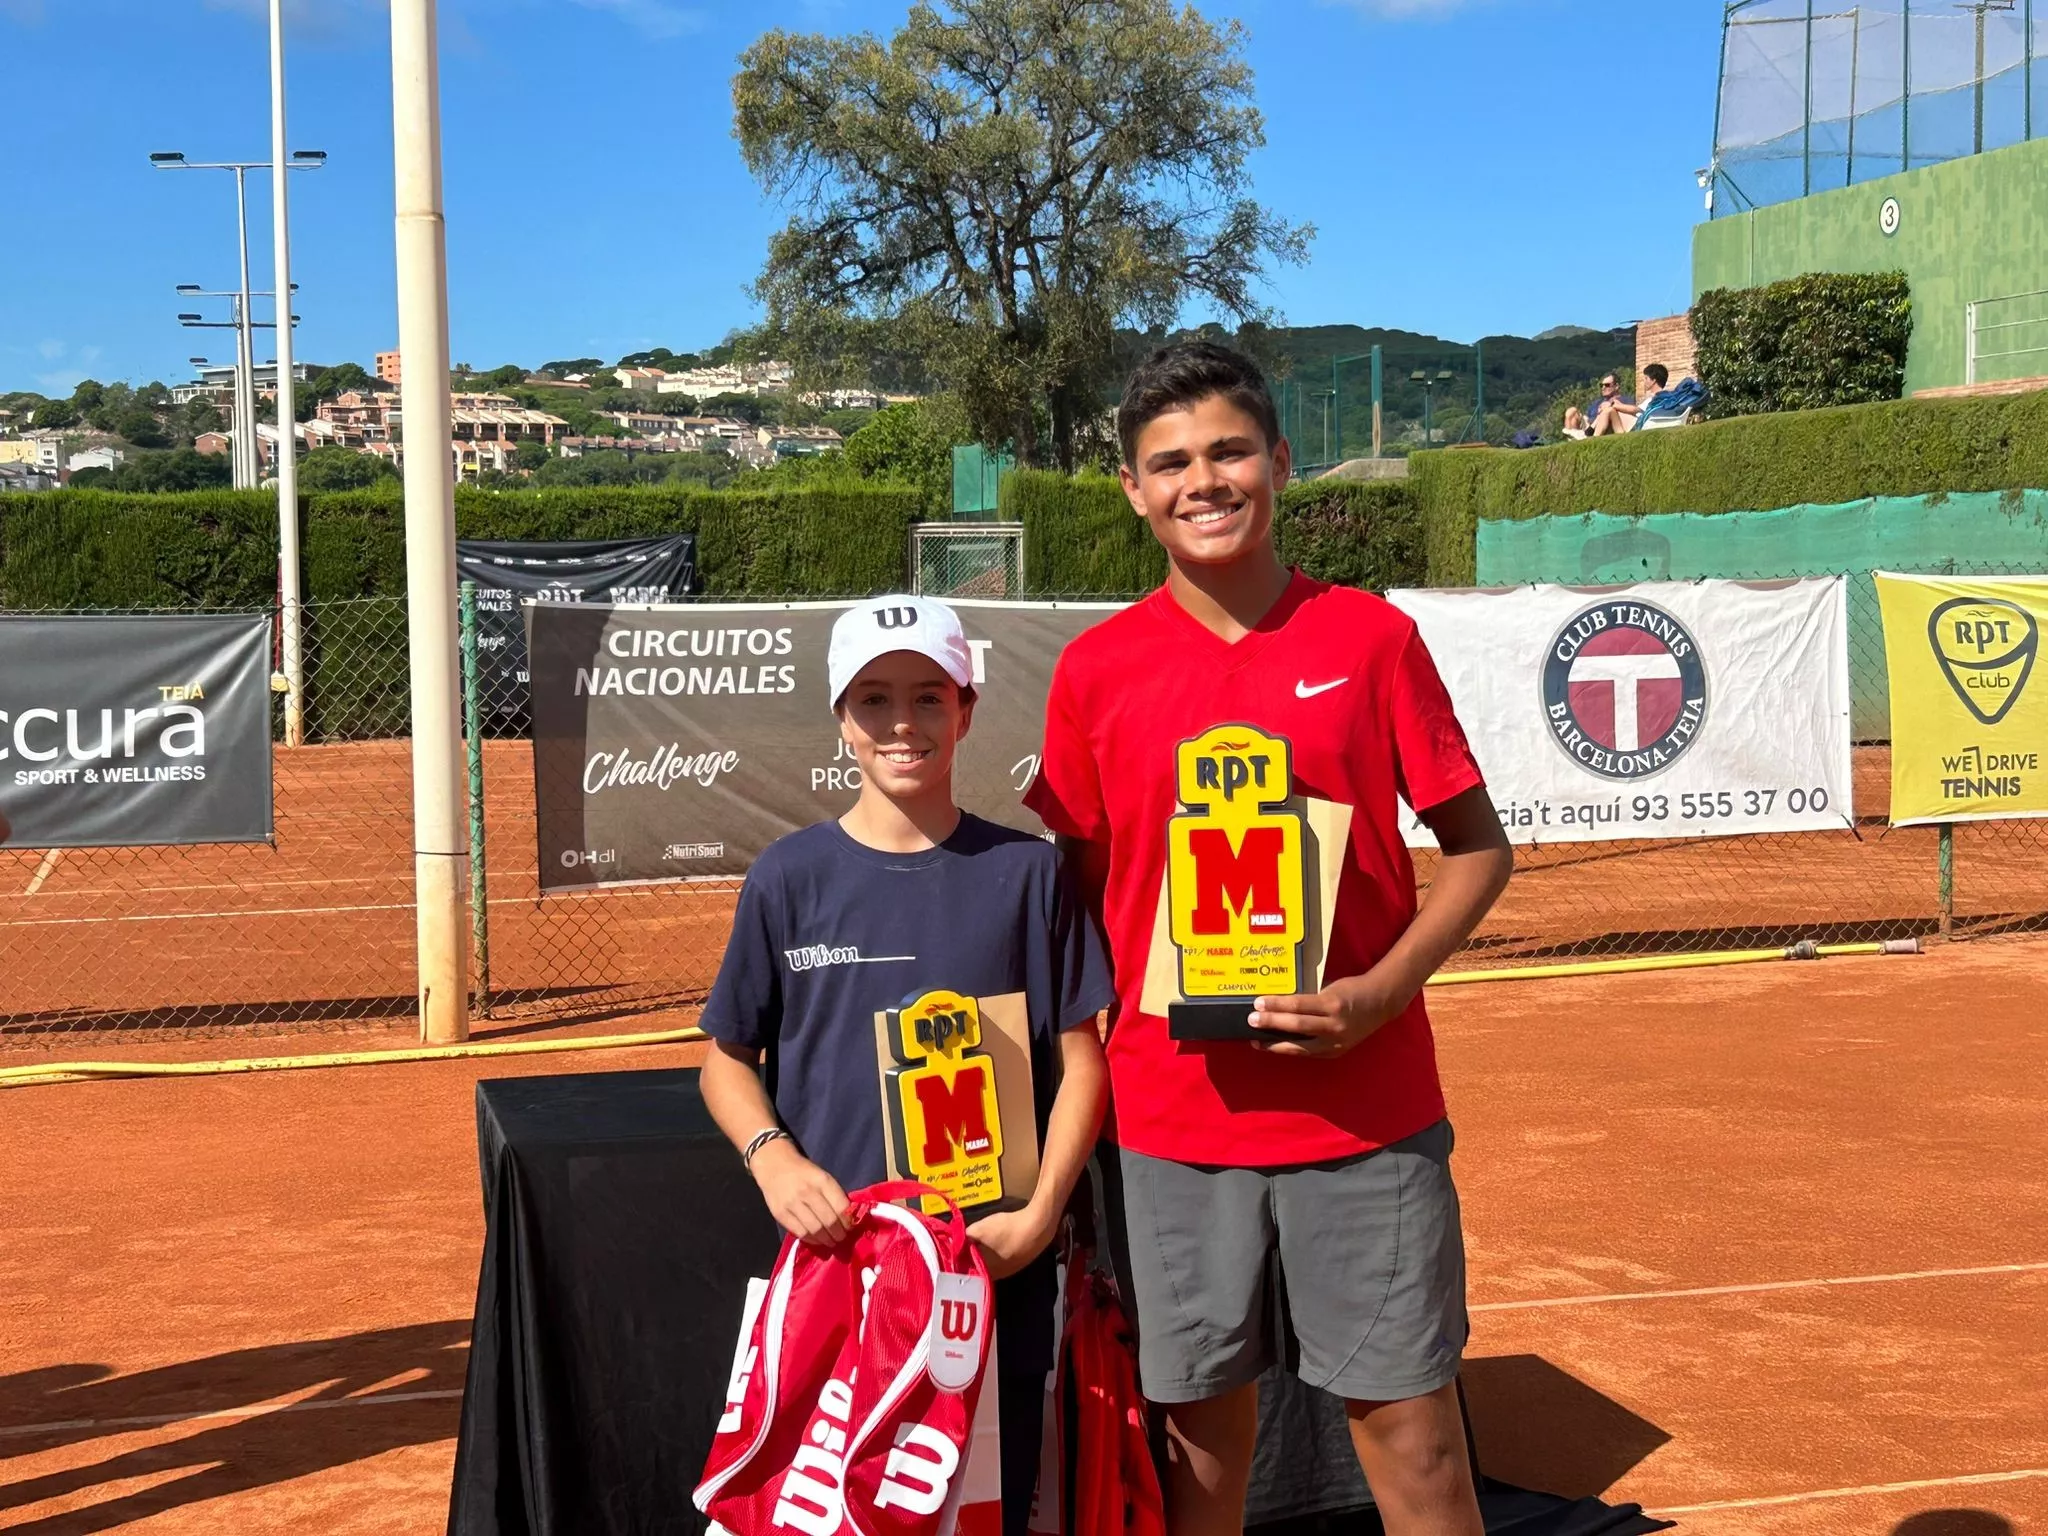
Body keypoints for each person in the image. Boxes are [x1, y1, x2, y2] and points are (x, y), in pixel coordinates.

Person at [1025, 341, 1514, 1536]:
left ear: (1279, 464)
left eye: (1228, 450)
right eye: (1169, 461)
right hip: (1172, 1120)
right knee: (1197, 1447)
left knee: (1411, 1438)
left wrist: (1380, 993)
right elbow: (1080, 897)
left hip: (1365, 1105)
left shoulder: (1367, 640)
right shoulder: (1094, 672)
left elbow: (1480, 850)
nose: (1203, 479)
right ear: (1134, 491)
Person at [699, 593, 1114, 1536]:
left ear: (966, 709)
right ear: (840, 717)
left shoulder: (1028, 872)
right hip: (838, 1266)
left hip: (987, 1268)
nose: (903, 723)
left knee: (974, 1513)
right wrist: (776, 1160)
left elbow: (1082, 1061)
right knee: (827, 1510)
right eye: (874, 699)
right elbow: (725, 1060)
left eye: (930, 697)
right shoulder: (788, 878)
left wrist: (1041, 1214)